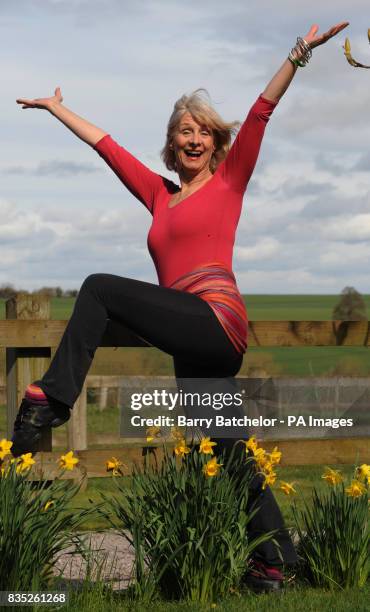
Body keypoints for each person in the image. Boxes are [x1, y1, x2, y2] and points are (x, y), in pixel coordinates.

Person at [11, 22, 348, 591]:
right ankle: (275, 562)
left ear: (215, 144)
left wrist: (298, 55)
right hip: (190, 331)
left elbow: (262, 110)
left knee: (97, 287)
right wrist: (55, 110)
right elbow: (107, 147)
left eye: (200, 133)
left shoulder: (229, 182)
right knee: (228, 449)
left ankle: (53, 398)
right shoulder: (158, 196)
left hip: (216, 319)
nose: (191, 139)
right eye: (181, 133)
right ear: (171, 146)